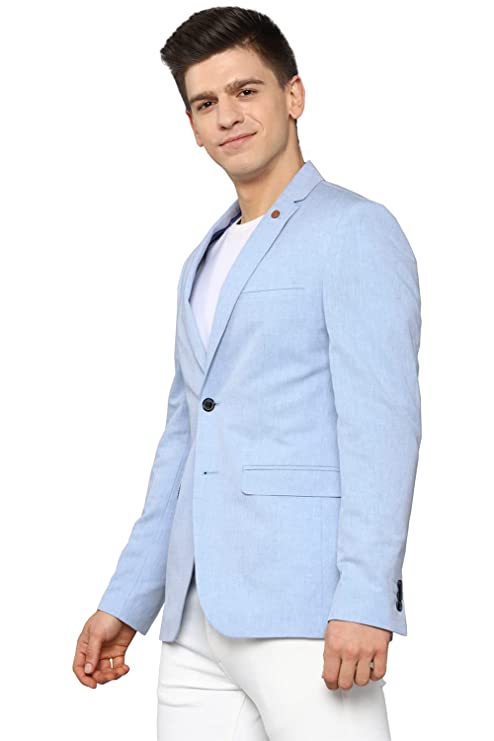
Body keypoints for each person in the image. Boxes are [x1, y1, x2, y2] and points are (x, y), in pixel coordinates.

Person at [73, 7, 422, 740]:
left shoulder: (354, 229)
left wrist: (366, 596)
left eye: (245, 91)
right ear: (193, 127)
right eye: (205, 103)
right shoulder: (200, 260)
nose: (227, 115)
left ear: (294, 95)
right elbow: (183, 441)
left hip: (308, 610)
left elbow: (382, 427)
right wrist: (129, 598)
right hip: (194, 620)